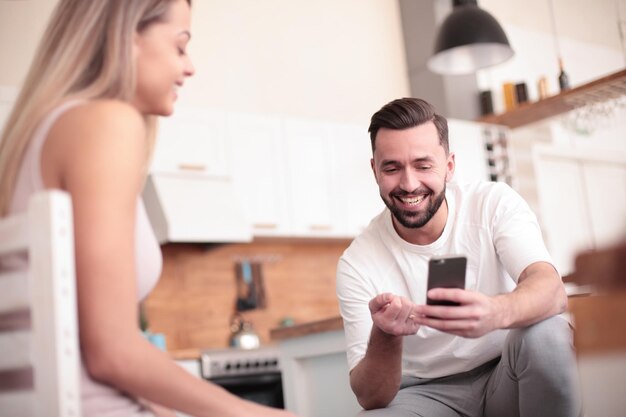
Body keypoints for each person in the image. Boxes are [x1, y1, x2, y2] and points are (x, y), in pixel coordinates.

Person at [0, 1, 299, 416]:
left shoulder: (30, 138)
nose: (190, 66)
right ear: (127, 36)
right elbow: (113, 353)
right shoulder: (107, 123)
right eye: (180, 46)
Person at [336, 97, 581, 417]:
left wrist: (496, 311)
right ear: (375, 171)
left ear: (449, 166)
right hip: (424, 396)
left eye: (423, 166)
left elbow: (551, 289)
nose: (409, 184)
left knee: (547, 333)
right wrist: (387, 334)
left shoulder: (492, 204)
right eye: (392, 168)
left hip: (505, 374)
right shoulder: (358, 262)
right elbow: (370, 398)